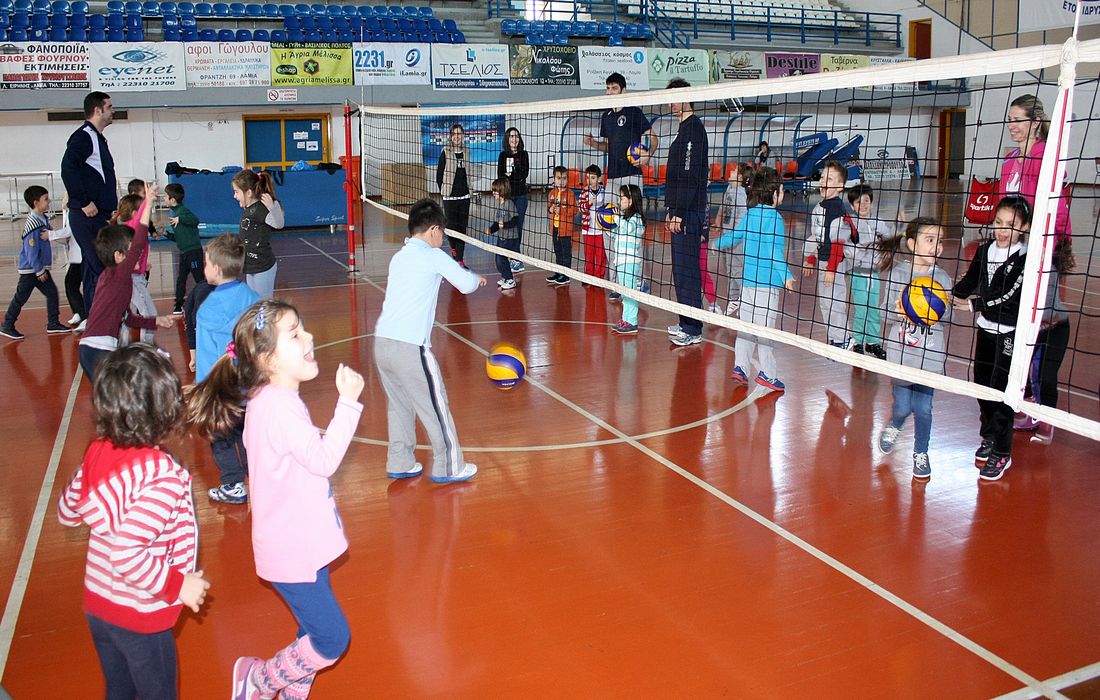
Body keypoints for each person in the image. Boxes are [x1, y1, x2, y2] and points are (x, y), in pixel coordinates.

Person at [187, 300, 364, 699]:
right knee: (332, 638)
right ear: (267, 359)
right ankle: (259, 680)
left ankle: (289, 693)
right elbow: (323, 460)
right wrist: (348, 404)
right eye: (295, 334)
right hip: (292, 549)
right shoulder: (279, 407)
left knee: (311, 630)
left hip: (300, 543)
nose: (309, 337)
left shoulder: (269, 399)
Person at [58, 344, 210, 700]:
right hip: (139, 613)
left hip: (99, 605)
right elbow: (127, 553)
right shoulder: (162, 478)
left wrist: (88, 475)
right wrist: (178, 586)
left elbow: (68, 511)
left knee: (119, 689)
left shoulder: (98, 451)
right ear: (167, 411)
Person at [374, 198, 485, 483]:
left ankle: (400, 461)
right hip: (410, 347)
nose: (443, 237)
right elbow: (466, 284)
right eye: (442, 232)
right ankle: (450, 467)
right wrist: (476, 278)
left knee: (399, 405)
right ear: (434, 229)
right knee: (436, 405)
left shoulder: (399, 257)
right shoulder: (433, 256)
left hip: (382, 343)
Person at [952, 196, 1030, 481]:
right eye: (998, 222)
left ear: (1024, 228)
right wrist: (945, 294)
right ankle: (988, 436)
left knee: (1001, 391)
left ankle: (1002, 451)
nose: (1002, 229)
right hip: (985, 328)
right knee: (982, 385)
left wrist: (974, 304)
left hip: (1009, 333)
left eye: (1010, 225)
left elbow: (1008, 296)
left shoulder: (1025, 258)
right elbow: (971, 281)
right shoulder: (985, 250)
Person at [875, 217, 952, 479]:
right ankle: (895, 423)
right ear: (912, 244)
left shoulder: (942, 278)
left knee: (924, 409)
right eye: (930, 240)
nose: (936, 246)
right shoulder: (898, 274)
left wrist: (936, 312)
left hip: (930, 357)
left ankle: (921, 452)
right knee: (902, 407)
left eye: (939, 241)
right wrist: (901, 310)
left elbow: (950, 317)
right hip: (901, 356)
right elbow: (884, 312)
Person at [77, 183, 175, 384]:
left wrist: (156, 321)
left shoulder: (118, 281)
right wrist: (148, 204)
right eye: (130, 251)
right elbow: (139, 242)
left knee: (117, 397)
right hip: (98, 350)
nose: (138, 253)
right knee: (121, 394)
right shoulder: (117, 274)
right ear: (118, 256)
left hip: (97, 349)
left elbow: (128, 318)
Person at [191, 233, 261, 505]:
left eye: (206, 263)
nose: (204, 267)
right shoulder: (254, 299)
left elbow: (208, 354)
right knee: (248, 433)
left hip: (220, 386)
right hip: (249, 384)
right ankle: (259, 478)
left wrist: (202, 389)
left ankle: (233, 484)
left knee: (220, 435)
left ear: (217, 270)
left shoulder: (207, 310)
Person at [714, 167, 795, 392]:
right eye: (782, 190)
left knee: (746, 328)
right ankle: (768, 374)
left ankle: (740, 368)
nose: (783, 194)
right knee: (765, 332)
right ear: (775, 193)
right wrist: (787, 275)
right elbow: (773, 250)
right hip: (766, 287)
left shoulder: (751, 214)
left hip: (747, 284)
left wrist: (717, 243)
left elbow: (735, 235)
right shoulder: (776, 219)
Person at [583, 72, 660, 294]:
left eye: (614, 88)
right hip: (613, 179)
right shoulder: (606, 116)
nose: (610, 92)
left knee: (632, 229)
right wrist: (593, 144)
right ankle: (617, 281)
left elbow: (653, 137)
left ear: (624, 90)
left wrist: (648, 155)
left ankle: (638, 281)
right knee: (608, 227)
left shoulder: (633, 111)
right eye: (608, 88)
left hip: (632, 176)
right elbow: (609, 146)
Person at [61, 91, 117, 313]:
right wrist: (83, 201)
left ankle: (94, 318)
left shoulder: (98, 138)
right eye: (109, 107)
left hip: (99, 215)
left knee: (93, 271)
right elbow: (68, 168)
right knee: (100, 269)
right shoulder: (84, 136)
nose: (113, 111)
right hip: (87, 215)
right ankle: (102, 319)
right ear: (97, 110)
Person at [663, 78, 709, 347]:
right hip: (679, 210)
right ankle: (685, 321)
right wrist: (670, 209)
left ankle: (693, 328)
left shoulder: (694, 130)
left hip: (689, 213)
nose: (672, 103)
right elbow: (676, 176)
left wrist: (680, 211)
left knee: (688, 270)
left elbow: (690, 175)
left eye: (676, 97)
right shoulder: (683, 130)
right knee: (680, 270)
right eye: (669, 98)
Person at [1, 186, 72, 340]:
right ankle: (7, 324)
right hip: (31, 270)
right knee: (21, 297)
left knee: (52, 293)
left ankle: (53, 323)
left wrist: (66, 240)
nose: (49, 202)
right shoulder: (33, 224)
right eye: (46, 199)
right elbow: (31, 251)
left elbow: (51, 235)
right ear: (36, 202)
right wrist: (39, 270)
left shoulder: (43, 219)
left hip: (39, 269)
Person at [998, 94, 1071, 241]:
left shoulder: (1044, 157)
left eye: (1017, 120)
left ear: (1035, 122)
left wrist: (1063, 244)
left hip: (1037, 239)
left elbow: (1058, 206)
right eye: (1009, 120)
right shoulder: (1009, 160)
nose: (1010, 125)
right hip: (1012, 240)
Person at [845, 183, 901, 359]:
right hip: (857, 273)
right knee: (861, 309)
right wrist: (864, 251)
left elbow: (889, 239)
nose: (863, 205)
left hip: (873, 274)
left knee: (874, 310)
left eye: (866, 201)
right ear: (852, 205)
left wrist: (898, 225)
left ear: (872, 202)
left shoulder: (878, 222)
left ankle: (873, 342)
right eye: (858, 202)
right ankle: (858, 342)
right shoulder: (849, 224)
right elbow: (848, 249)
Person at [802, 160, 851, 348]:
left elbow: (838, 242)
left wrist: (831, 268)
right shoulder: (819, 207)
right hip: (824, 261)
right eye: (822, 177)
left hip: (834, 263)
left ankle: (843, 339)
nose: (823, 181)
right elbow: (818, 236)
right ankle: (835, 338)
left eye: (829, 179)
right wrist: (810, 258)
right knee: (825, 303)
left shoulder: (836, 209)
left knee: (835, 302)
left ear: (840, 186)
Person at [113, 193, 158, 345]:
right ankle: (146, 347)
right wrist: (148, 200)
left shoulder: (130, 228)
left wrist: (143, 265)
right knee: (150, 314)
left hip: (134, 276)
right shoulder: (133, 226)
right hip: (132, 278)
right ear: (135, 214)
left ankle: (122, 346)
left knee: (129, 314)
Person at [233, 169, 279, 299]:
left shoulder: (260, 209)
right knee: (254, 302)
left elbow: (278, 224)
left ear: (248, 193)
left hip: (262, 266)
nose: (234, 196)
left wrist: (273, 207)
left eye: (236, 192)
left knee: (263, 303)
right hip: (251, 266)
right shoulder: (249, 209)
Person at [611, 184, 646, 335]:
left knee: (630, 292)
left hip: (630, 261)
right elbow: (615, 234)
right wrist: (608, 225)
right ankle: (625, 319)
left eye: (622, 198)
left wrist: (617, 219)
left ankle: (632, 322)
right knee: (624, 292)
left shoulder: (636, 218)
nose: (619, 201)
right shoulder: (624, 219)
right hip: (620, 260)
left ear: (630, 200)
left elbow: (628, 228)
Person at [716, 163, 751, 316]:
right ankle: (734, 299)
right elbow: (724, 206)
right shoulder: (729, 188)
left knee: (737, 270)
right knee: (730, 269)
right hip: (728, 236)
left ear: (740, 177)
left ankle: (746, 301)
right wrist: (719, 219)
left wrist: (732, 237)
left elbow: (741, 220)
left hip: (736, 239)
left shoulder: (741, 194)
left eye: (735, 170)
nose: (731, 170)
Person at [436, 123, 472, 268]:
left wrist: (469, 189)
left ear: (463, 136)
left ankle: (460, 260)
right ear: (451, 136)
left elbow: (469, 172)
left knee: (462, 229)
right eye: (454, 134)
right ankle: (454, 249)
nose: (457, 136)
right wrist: (445, 191)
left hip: (465, 197)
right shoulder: (445, 151)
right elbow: (439, 175)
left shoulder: (467, 151)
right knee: (451, 228)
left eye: (459, 134)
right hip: (450, 198)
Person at [165, 183, 204, 315]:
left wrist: (180, 219)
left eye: (165, 196)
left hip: (193, 252)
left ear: (172, 200)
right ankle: (178, 305)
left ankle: (207, 301)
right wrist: (167, 234)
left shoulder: (182, 211)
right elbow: (179, 237)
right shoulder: (175, 214)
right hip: (184, 253)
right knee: (181, 279)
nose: (163, 198)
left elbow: (195, 220)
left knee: (199, 278)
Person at [498, 127, 529, 273]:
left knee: (518, 226)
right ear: (507, 138)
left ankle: (516, 259)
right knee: (508, 227)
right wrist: (512, 176)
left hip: (521, 196)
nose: (514, 139)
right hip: (508, 197)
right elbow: (500, 176)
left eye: (516, 136)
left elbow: (524, 174)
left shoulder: (524, 155)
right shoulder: (502, 155)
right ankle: (509, 255)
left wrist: (512, 175)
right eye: (511, 136)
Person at [486, 178, 521, 292]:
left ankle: (510, 280)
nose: (493, 193)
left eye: (495, 191)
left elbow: (516, 219)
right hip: (501, 237)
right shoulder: (500, 206)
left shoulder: (509, 203)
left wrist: (505, 225)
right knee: (498, 259)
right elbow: (498, 224)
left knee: (501, 258)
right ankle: (505, 277)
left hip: (510, 238)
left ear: (502, 191)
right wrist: (491, 229)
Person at [546, 165, 576, 286]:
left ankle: (566, 275)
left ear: (567, 179)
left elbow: (574, 211)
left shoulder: (570, 194)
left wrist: (561, 211)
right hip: (555, 228)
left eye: (564, 178)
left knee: (565, 253)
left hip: (565, 230)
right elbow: (548, 207)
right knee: (557, 251)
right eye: (559, 178)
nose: (561, 181)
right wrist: (550, 209)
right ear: (554, 179)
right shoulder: (552, 193)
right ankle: (559, 272)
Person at [578, 164, 608, 282]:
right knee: (589, 255)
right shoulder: (584, 192)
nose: (589, 181)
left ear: (599, 179)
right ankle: (588, 276)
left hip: (601, 229)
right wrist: (588, 203)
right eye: (587, 178)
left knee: (601, 255)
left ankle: (599, 276)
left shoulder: (604, 192)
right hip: (588, 229)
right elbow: (581, 208)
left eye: (593, 178)